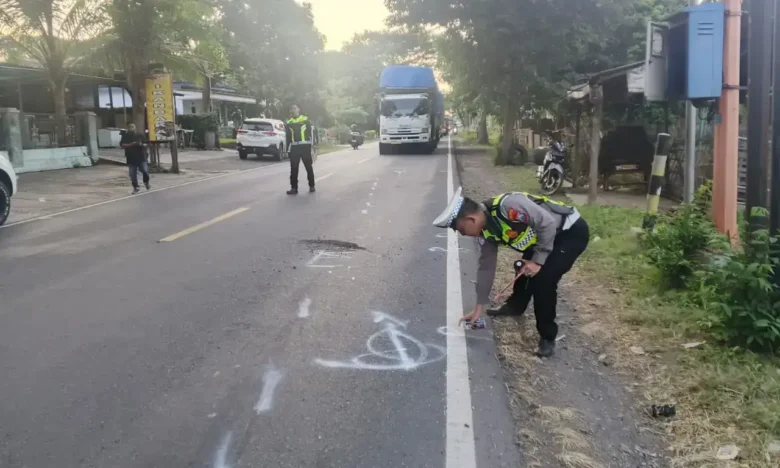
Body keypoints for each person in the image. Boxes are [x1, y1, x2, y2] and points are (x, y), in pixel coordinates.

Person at [433, 188, 589, 357]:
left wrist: (538, 261)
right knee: (524, 266)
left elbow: (548, 223)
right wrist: (479, 307)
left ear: (471, 219)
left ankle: (547, 336)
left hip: (569, 233)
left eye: (461, 230)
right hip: (542, 238)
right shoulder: (486, 232)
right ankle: (515, 306)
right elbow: (486, 267)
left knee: (543, 280)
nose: (462, 234)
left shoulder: (509, 206)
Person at [285, 104, 315, 195]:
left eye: (295, 108)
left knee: (308, 167)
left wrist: (313, 146)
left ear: (298, 109)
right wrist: (287, 149)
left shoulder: (305, 120)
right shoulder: (289, 122)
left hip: (305, 147)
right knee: (294, 169)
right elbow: (288, 137)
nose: (293, 110)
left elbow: (311, 133)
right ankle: (294, 188)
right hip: (294, 148)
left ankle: (312, 185)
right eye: (291, 109)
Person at [120, 123, 150, 194]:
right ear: (128, 128)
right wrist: (131, 144)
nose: (131, 128)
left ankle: (146, 182)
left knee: (144, 170)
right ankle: (136, 187)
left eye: (133, 127)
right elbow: (122, 145)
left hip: (141, 157)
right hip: (130, 157)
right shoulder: (125, 136)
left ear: (135, 128)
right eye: (130, 127)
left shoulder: (140, 135)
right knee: (132, 174)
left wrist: (141, 144)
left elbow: (146, 144)